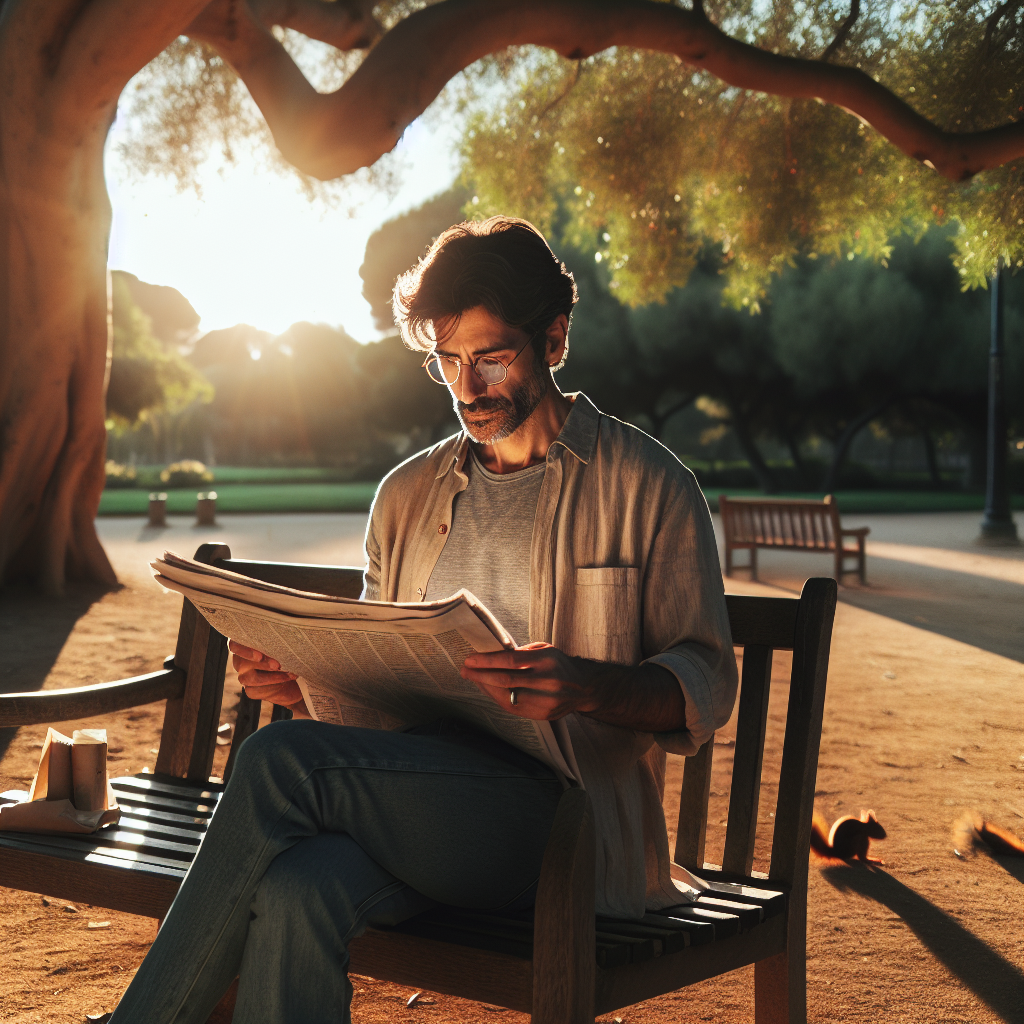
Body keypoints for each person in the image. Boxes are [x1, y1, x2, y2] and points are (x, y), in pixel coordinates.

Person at [109, 217, 737, 1024]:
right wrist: (304, 684)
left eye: (491, 356)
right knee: (302, 889)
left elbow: (707, 682)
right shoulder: (406, 496)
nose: (466, 387)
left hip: (558, 825)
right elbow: (379, 690)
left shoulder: (649, 484)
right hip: (416, 803)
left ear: (554, 336)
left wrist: (584, 684)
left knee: (277, 761)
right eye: (446, 361)